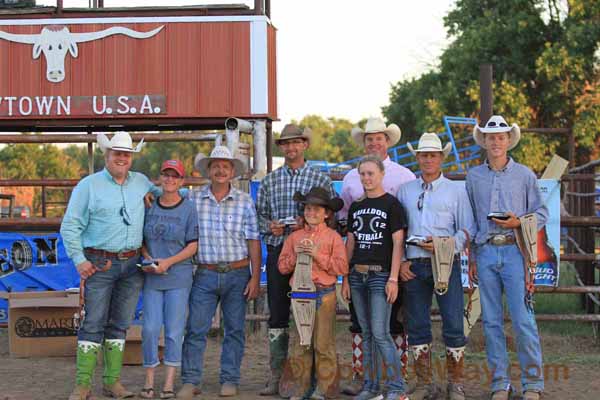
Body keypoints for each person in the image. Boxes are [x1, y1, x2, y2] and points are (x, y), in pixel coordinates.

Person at [61, 131, 161, 400]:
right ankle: (83, 384)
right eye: (117, 153)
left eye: (126, 154)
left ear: (131, 158)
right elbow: (70, 225)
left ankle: (111, 382)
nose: (122, 158)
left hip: (131, 264)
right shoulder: (88, 186)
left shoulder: (141, 182)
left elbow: (167, 195)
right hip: (98, 262)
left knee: (120, 323)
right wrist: (80, 260)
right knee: (92, 322)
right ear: (107, 155)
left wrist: (175, 195)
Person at [466, 115, 547, 400]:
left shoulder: (524, 175)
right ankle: (500, 383)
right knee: (490, 321)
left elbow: (541, 213)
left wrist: (518, 223)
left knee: (523, 319)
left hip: (515, 251)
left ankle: (532, 384)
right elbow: (472, 220)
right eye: (491, 137)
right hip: (486, 251)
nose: (496, 141)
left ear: (508, 140)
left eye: (501, 137)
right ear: (485, 142)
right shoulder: (473, 177)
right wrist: (474, 257)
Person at [177, 146, 262, 399]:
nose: (221, 170)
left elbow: (253, 241)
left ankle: (230, 378)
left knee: (235, 329)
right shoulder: (192, 199)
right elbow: (168, 195)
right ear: (208, 170)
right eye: (216, 165)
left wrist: (255, 277)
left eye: (226, 166)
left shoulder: (245, 201)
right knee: (195, 328)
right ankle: (191, 380)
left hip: (237, 272)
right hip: (205, 272)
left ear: (233, 171)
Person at [256, 124, 335, 396]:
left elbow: (332, 216)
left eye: (296, 143)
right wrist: (271, 226)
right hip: (281, 250)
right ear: (281, 147)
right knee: (278, 313)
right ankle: (278, 374)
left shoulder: (320, 179)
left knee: (311, 315)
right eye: (286, 144)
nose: (291, 148)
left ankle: (312, 378)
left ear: (305, 145)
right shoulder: (269, 181)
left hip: (313, 254)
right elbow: (259, 217)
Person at [397, 133, 476, 400]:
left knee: (453, 322)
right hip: (414, 263)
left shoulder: (457, 190)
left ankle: (456, 383)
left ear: (441, 158)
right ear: (417, 158)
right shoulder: (405, 190)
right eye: (423, 155)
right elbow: (398, 231)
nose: (428, 159)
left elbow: (467, 231)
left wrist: (445, 244)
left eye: (433, 155)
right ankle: (424, 383)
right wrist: (401, 262)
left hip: (445, 262)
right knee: (417, 323)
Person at [339, 117, 415, 394]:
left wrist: (394, 276)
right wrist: (345, 275)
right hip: (357, 271)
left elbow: (400, 239)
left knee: (384, 331)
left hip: (383, 272)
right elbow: (349, 234)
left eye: (378, 137)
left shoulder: (401, 184)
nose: (366, 178)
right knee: (367, 331)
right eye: (369, 138)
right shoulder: (356, 199)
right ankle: (370, 384)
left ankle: (397, 383)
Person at [278, 187, 348, 400]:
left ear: (326, 213)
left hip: (324, 293)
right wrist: (295, 256)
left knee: (323, 343)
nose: (312, 213)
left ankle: (324, 388)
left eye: (317, 209)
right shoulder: (295, 237)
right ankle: (301, 386)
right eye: (308, 208)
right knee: (302, 343)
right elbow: (282, 267)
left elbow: (342, 268)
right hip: (300, 295)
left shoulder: (333, 237)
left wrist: (317, 255)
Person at [139, 160, 199, 400]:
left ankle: (169, 383)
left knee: (174, 331)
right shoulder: (149, 206)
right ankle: (149, 381)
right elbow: (141, 240)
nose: (170, 180)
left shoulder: (189, 208)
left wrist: (168, 262)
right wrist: (148, 259)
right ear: (160, 178)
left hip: (178, 275)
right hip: (153, 276)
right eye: (166, 175)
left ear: (182, 181)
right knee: (150, 329)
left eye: (175, 176)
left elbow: (193, 245)